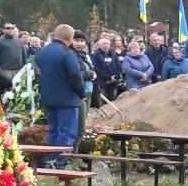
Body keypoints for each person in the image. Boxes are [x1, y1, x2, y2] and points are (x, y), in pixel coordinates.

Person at [35, 24, 85, 166]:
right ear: (70, 38)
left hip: (48, 98)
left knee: (53, 131)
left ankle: (50, 159)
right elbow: (75, 76)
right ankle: (60, 163)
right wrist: (81, 93)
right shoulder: (67, 53)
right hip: (67, 100)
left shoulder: (42, 53)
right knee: (66, 133)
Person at [91, 35, 126, 105]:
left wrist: (116, 76)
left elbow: (118, 66)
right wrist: (108, 77)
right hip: (102, 83)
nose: (106, 45)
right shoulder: (95, 55)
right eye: (104, 44)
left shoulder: (113, 54)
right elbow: (96, 69)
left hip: (113, 83)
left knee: (113, 101)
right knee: (102, 103)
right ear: (99, 45)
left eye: (107, 44)